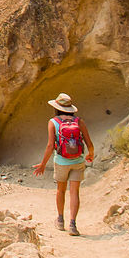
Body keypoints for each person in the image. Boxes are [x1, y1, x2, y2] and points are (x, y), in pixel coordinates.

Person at [33, 93, 95, 236]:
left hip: (61, 161)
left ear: (56, 108)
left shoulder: (53, 122)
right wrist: (90, 155)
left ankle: (60, 220)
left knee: (61, 190)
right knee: (75, 192)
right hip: (78, 161)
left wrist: (43, 164)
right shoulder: (79, 122)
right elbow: (89, 143)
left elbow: (50, 145)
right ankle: (73, 224)